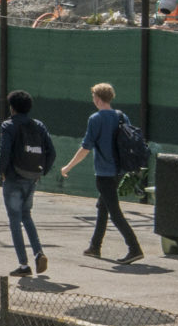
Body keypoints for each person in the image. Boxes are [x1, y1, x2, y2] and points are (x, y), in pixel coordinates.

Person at [59, 82, 145, 264]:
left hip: (104, 173)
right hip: (120, 171)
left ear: (97, 99)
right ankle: (95, 247)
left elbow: (85, 147)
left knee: (114, 212)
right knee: (103, 207)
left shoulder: (95, 119)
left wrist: (68, 167)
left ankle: (134, 248)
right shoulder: (122, 116)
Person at [0, 89, 54, 276]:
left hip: (14, 178)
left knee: (14, 220)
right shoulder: (38, 125)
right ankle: (39, 253)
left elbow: (5, 152)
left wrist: (2, 173)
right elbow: (51, 152)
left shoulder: (8, 126)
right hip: (32, 177)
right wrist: (41, 172)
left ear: (12, 108)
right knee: (26, 215)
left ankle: (24, 265)